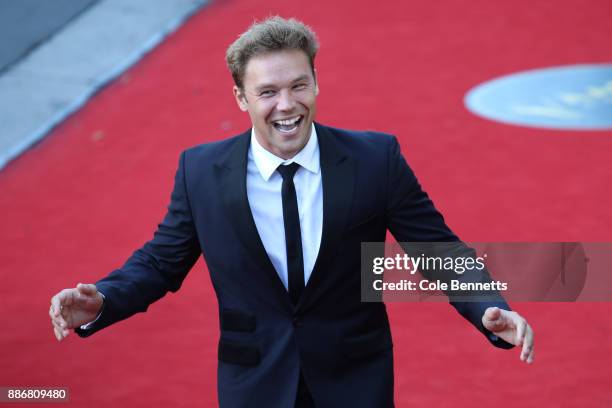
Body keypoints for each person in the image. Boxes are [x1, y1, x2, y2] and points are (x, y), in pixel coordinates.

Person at [49, 16, 534, 408]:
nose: (287, 105)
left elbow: (438, 249)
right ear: (241, 98)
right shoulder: (201, 172)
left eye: (299, 85)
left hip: (354, 378)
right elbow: (161, 261)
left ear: (317, 82)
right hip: (255, 380)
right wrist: (104, 301)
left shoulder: (374, 160)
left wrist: (487, 306)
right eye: (267, 92)